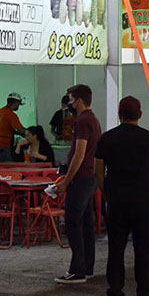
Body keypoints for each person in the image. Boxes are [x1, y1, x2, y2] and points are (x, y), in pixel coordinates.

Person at [95, 96, 149, 296]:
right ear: (140, 114)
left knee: (115, 249)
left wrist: (108, 195)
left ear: (119, 114)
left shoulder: (107, 139)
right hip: (143, 201)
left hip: (117, 201)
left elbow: (98, 172)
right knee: (142, 248)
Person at [54, 84, 102, 285]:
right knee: (86, 224)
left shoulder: (83, 121)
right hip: (90, 177)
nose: (70, 104)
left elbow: (79, 154)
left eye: (71, 100)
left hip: (81, 178)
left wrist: (66, 181)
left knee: (73, 223)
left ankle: (77, 270)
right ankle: (87, 266)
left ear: (79, 100)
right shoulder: (93, 119)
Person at [0, 93, 26, 162]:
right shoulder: (11, 114)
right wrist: (31, 133)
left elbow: (5, 128)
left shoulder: (0, 111)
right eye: (18, 104)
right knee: (6, 170)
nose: (18, 106)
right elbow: (20, 130)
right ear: (15, 102)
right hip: (2, 146)